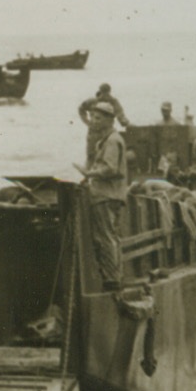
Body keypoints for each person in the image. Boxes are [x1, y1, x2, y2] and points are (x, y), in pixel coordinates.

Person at [76, 102, 129, 291]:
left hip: (105, 195)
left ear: (109, 120)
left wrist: (89, 173)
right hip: (111, 194)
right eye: (92, 117)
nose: (93, 121)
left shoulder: (112, 141)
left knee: (105, 237)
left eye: (98, 118)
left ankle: (112, 279)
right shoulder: (109, 139)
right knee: (111, 236)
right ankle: (115, 276)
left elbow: (110, 168)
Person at [78, 83, 131, 160]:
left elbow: (120, 115)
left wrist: (126, 123)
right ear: (100, 91)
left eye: (106, 92)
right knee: (91, 155)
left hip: (106, 132)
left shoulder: (113, 102)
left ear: (109, 92)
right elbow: (81, 109)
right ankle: (90, 166)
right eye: (103, 92)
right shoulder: (92, 101)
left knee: (106, 154)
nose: (105, 95)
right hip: (93, 132)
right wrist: (87, 122)